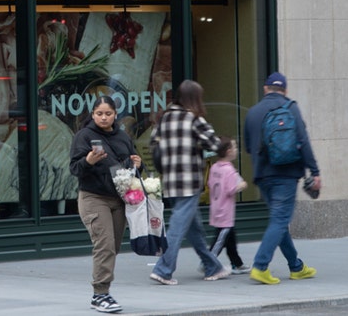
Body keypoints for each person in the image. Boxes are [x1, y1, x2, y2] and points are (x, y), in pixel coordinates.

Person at [243, 72, 321, 285]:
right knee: (280, 220)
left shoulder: (252, 112)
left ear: (265, 88)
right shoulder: (290, 108)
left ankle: (296, 266)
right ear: (285, 90)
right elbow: (303, 142)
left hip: (262, 176)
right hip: (286, 174)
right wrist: (315, 172)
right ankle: (260, 266)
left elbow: (248, 147)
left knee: (279, 220)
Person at [149, 79, 227, 285]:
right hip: (189, 181)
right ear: (194, 99)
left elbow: (152, 143)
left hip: (170, 181)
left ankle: (212, 267)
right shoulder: (193, 120)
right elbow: (215, 144)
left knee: (194, 229)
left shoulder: (164, 118)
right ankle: (164, 269)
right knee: (177, 226)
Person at [69, 95, 142, 314]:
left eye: (108, 113)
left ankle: (103, 291)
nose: (103, 117)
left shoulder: (122, 136)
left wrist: (138, 163)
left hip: (118, 199)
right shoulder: (84, 136)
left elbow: (131, 166)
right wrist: (88, 161)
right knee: (105, 244)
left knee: (114, 246)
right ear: (92, 115)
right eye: (99, 113)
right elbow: (74, 168)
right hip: (93, 197)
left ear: (115, 115)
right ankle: (100, 294)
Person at [206, 136, 249, 274]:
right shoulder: (229, 170)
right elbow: (231, 189)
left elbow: (210, 184)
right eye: (235, 147)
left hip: (216, 207)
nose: (237, 150)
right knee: (221, 238)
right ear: (228, 151)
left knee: (230, 237)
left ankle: (237, 263)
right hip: (226, 210)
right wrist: (242, 185)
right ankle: (208, 261)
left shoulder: (214, 167)